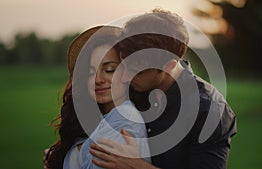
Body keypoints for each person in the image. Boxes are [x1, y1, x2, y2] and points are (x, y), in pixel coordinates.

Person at [89, 9, 237, 169]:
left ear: (169, 66)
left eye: (136, 72)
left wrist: (137, 166)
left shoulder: (209, 111)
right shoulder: (133, 86)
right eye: (124, 65)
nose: (124, 78)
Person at [44, 25, 150, 169]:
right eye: (90, 72)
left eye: (109, 70)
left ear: (128, 72)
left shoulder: (125, 119)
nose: (98, 79)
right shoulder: (104, 119)